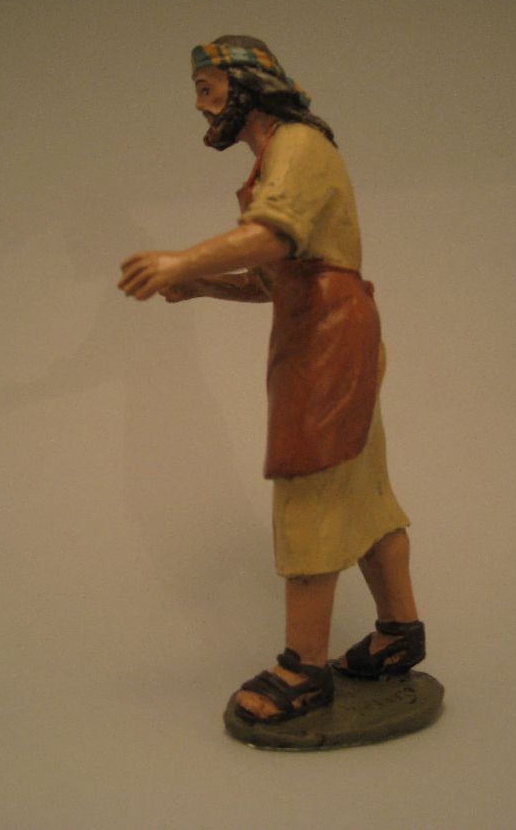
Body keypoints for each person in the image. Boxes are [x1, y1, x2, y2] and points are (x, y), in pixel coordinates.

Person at [118, 36, 425, 724]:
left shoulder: (298, 146)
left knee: (306, 491)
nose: (200, 105)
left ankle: (303, 670)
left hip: (327, 341)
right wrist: (204, 285)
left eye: (207, 89)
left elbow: (273, 235)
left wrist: (181, 261)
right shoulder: (280, 157)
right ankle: (400, 631)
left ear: (247, 87)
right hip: (327, 330)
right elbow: (270, 278)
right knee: (364, 491)